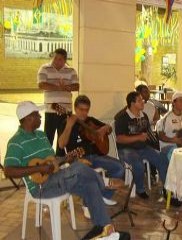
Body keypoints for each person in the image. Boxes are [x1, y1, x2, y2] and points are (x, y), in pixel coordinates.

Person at [3, 101, 125, 240]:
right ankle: (104, 182)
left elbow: (53, 160)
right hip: (41, 187)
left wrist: (66, 159)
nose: (41, 117)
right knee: (79, 168)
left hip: (57, 178)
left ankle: (105, 231)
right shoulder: (16, 142)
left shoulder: (41, 135)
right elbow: (8, 171)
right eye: (37, 115)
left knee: (89, 183)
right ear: (28, 118)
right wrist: (39, 168)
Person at [58, 95, 124, 217]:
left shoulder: (91, 120)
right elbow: (61, 145)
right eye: (81, 110)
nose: (84, 113)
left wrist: (102, 130)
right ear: (75, 108)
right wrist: (69, 125)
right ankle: (87, 204)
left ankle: (104, 196)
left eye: (86, 110)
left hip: (96, 156)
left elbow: (109, 128)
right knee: (88, 174)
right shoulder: (65, 123)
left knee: (119, 167)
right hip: (78, 159)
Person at [115, 92, 168, 199]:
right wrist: (138, 137)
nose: (143, 102)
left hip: (143, 148)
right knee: (138, 164)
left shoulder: (144, 116)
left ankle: (166, 188)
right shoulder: (122, 118)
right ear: (132, 103)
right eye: (139, 100)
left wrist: (151, 138)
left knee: (162, 158)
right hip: (126, 149)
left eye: (142, 100)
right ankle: (140, 189)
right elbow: (119, 139)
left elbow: (147, 133)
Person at [38, 48, 79, 156]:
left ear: (65, 60)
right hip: (51, 110)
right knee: (48, 138)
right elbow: (41, 85)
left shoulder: (71, 71)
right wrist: (60, 87)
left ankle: (60, 163)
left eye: (59, 59)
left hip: (66, 112)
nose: (56, 61)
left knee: (63, 140)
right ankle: (47, 161)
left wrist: (66, 86)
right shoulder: (44, 68)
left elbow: (76, 86)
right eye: (55, 58)